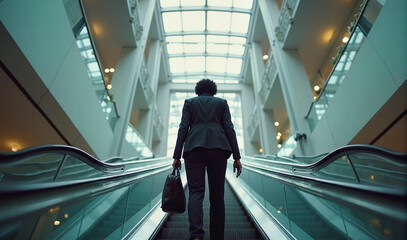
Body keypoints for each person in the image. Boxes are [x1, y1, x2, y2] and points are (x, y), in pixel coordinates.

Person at [172, 78, 242, 240]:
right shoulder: (222, 103)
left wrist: (176, 156)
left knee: (195, 192)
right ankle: (217, 236)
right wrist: (237, 157)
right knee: (217, 196)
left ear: (198, 90)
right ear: (213, 91)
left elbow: (183, 128)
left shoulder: (189, 103)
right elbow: (229, 128)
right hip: (218, 149)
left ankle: (196, 235)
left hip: (193, 150)